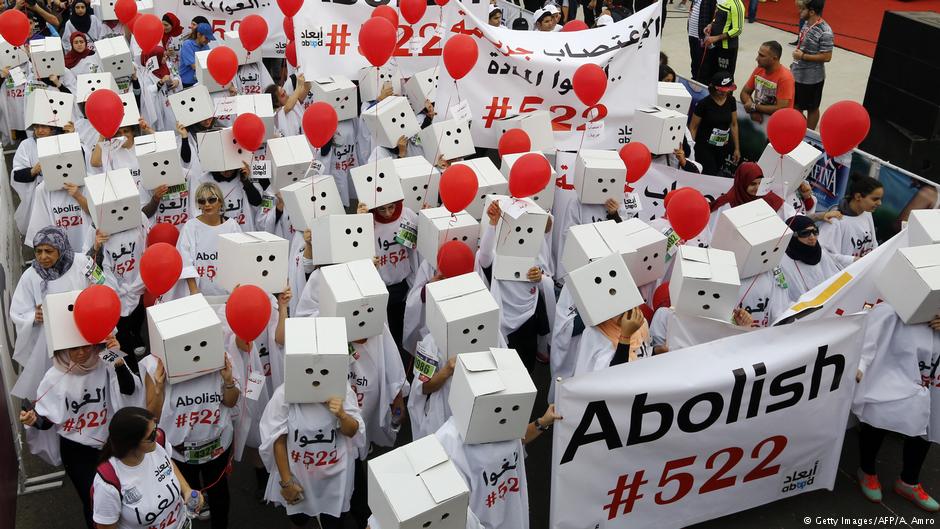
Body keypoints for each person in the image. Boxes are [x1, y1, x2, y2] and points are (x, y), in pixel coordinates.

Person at [20, 337, 139, 529]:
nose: (82, 353)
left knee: (124, 494)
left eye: (86, 347)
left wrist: (117, 357)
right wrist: (33, 421)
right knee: (92, 500)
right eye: (74, 348)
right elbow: (47, 420)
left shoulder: (106, 358)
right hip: (77, 450)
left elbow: (130, 389)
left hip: (111, 444)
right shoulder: (53, 376)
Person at [853, 303, 940, 512]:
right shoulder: (893, 306)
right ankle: (867, 470)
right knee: (883, 410)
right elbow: (875, 325)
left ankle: (909, 481)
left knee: (928, 419)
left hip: (934, 360)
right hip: (901, 344)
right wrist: (861, 363)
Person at [9, 227, 106, 398]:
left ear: (60, 249)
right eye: (38, 251)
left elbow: (103, 284)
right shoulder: (31, 276)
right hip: (51, 341)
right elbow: (18, 310)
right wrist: (33, 317)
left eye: (49, 251)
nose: (42, 257)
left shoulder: (83, 262)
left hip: (84, 334)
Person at [259, 382, 365, 529]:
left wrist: (342, 415)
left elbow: (353, 431)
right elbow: (278, 441)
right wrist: (287, 482)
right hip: (299, 477)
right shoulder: (284, 394)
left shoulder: (342, 389)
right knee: (299, 519)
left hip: (335, 476)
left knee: (333, 522)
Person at [91, 407, 205, 529]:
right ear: (131, 444)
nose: (158, 434)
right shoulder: (108, 484)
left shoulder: (158, 444)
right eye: (151, 435)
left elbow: (168, 462)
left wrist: (186, 490)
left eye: (156, 428)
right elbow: (106, 526)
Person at [178, 181, 243, 295]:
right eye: (202, 201)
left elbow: (239, 259)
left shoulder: (232, 226)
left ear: (220, 201)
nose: (207, 204)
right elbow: (185, 261)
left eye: (212, 200)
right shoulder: (190, 226)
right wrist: (194, 291)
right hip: (199, 294)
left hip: (227, 294)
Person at [817, 173, 882, 265]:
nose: (880, 203)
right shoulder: (835, 221)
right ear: (858, 197)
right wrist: (853, 260)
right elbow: (823, 254)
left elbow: (873, 244)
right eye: (875, 199)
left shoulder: (867, 213)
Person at [778, 215, 843, 301]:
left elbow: (836, 281)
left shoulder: (820, 253)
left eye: (815, 231)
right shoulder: (781, 262)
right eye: (805, 233)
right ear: (792, 236)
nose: (812, 237)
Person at [790, 0, 832, 130]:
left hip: (812, 78)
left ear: (812, 11)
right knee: (796, 106)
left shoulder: (825, 31)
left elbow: (827, 56)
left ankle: (808, 135)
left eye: (802, 9)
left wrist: (802, 56)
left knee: (812, 107)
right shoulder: (807, 24)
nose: (799, 12)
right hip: (797, 73)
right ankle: (797, 130)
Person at [688, 71, 740, 177]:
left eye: (727, 90)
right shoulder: (703, 104)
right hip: (704, 147)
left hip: (722, 147)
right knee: (709, 172)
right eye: (721, 90)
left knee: (716, 171)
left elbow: (734, 124)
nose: (724, 93)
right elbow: (693, 127)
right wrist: (691, 149)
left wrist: (737, 148)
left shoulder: (731, 101)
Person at [740, 41, 795, 124]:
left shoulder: (786, 78)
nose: (757, 59)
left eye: (762, 56)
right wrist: (753, 110)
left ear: (774, 58)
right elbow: (744, 92)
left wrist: (754, 107)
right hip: (760, 121)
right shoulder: (759, 69)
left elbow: (781, 108)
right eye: (759, 54)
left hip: (778, 123)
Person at [700, 0, 744, 81]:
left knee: (725, 78)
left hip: (726, 49)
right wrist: (711, 25)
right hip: (715, 45)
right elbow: (717, 18)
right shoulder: (722, 1)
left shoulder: (737, 4)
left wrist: (716, 38)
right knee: (711, 74)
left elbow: (738, 30)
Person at [687, 0, 716, 82]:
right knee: (694, 62)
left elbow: (714, 16)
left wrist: (708, 33)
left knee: (702, 64)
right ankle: (694, 79)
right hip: (692, 34)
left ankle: (701, 83)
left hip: (702, 37)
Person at [180, 22, 214, 88]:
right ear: (198, 35)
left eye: (209, 39)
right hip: (187, 83)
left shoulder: (206, 46)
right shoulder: (187, 45)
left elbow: (209, 63)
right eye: (206, 38)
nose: (208, 41)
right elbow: (195, 66)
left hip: (199, 82)